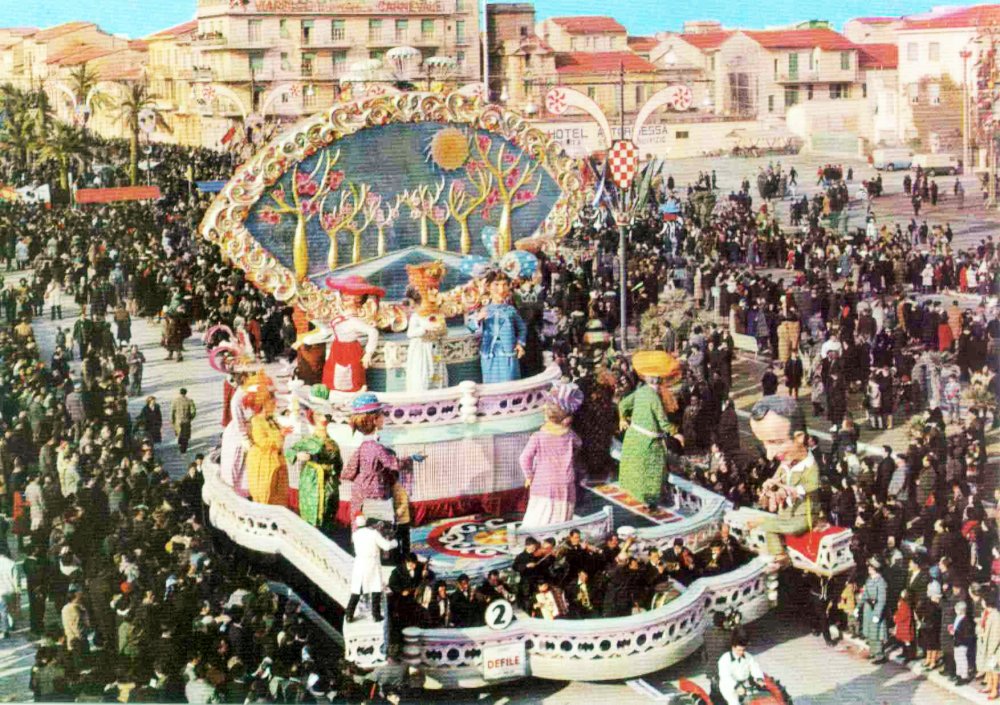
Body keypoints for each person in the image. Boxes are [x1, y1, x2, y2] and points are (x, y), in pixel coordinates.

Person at [744, 395, 821, 569]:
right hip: (785, 515)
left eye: (776, 443)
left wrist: (790, 490)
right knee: (770, 527)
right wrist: (770, 484)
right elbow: (776, 479)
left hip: (803, 518)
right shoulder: (785, 465)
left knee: (770, 525)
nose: (770, 455)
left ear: (799, 437)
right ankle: (778, 554)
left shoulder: (810, 466)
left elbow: (812, 486)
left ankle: (778, 552)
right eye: (765, 445)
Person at [340, 393, 418, 523]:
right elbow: (394, 464)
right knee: (377, 523)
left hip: (360, 489)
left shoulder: (363, 446)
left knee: (361, 523)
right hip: (374, 489)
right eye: (382, 414)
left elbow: (349, 471)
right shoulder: (376, 447)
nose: (384, 418)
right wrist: (411, 458)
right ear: (374, 420)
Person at [618, 351, 681, 509]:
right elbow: (663, 422)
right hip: (649, 442)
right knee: (652, 471)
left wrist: (622, 419)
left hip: (633, 437)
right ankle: (651, 501)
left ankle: (633, 495)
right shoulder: (654, 397)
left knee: (633, 468)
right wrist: (677, 434)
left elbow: (622, 405)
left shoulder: (640, 391)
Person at [519, 380, 584, 528]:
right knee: (562, 516)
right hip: (565, 482)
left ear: (547, 416)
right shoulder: (570, 435)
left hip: (543, 481)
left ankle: (536, 538)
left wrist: (529, 476)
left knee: (539, 515)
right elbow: (579, 444)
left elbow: (524, 458)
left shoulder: (538, 436)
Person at [310, 276, 383, 393]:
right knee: (333, 374)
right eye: (345, 296)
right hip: (337, 349)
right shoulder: (343, 317)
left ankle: (353, 392)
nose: (346, 299)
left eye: (350, 297)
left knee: (349, 376)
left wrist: (368, 354)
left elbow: (373, 332)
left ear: (358, 300)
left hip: (349, 351)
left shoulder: (354, 321)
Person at [469, 273, 527, 383]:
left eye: (504, 285)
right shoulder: (483, 309)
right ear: (488, 287)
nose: (501, 289)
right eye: (496, 284)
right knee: (491, 383)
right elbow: (471, 327)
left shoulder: (510, 310)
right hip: (489, 353)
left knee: (509, 381)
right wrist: (478, 319)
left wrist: (520, 344)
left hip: (508, 353)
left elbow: (522, 328)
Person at [244, 377, 289, 506]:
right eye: (271, 400)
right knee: (265, 494)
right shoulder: (256, 421)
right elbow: (262, 441)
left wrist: (281, 433)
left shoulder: (271, 419)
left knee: (278, 496)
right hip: (263, 462)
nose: (274, 403)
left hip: (276, 461)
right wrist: (279, 435)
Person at [404, 262, 449, 392]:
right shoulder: (417, 316)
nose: (435, 291)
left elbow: (445, 331)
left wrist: (441, 330)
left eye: (435, 288)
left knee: (437, 377)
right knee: (423, 376)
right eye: (430, 288)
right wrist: (425, 329)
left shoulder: (437, 313)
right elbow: (410, 333)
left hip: (436, 349)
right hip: (422, 350)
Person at [346, 516, 397, 623]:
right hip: (372, 563)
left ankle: (349, 615)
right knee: (376, 588)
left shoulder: (355, 535)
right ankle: (376, 615)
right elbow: (386, 546)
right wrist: (394, 542)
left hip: (359, 564)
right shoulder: (373, 534)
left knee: (357, 589)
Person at [717, 631, 766, 705]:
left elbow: (755, 668)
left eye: (743, 650)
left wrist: (759, 679)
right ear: (733, 647)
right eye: (739, 650)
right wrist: (736, 686)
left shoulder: (748, 657)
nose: (741, 653)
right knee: (734, 703)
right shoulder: (724, 659)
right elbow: (725, 677)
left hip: (745, 685)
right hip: (729, 688)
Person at [861, 557, 888, 663]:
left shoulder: (881, 581)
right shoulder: (870, 579)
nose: (868, 569)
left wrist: (877, 614)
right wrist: (859, 607)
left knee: (876, 633)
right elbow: (865, 594)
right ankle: (873, 651)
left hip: (875, 609)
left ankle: (879, 655)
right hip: (868, 609)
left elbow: (882, 599)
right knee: (870, 631)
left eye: (870, 567)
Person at [170, 388, 196, 454]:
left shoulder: (175, 401)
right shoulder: (189, 401)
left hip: (178, 420)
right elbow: (193, 412)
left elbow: (172, 411)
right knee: (185, 435)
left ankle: (180, 445)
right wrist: (190, 418)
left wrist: (172, 420)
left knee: (179, 434)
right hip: (186, 420)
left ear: (180, 393)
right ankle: (184, 448)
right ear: (186, 393)